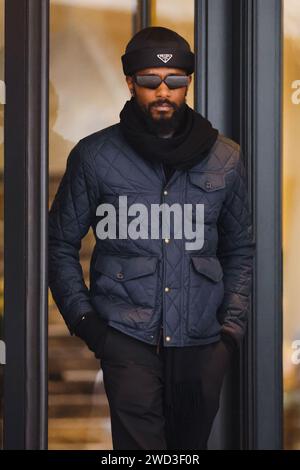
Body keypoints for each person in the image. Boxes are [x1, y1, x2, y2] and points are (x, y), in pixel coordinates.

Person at [48, 26, 255, 450]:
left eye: (175, 81)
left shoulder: (226, 158)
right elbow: (59, 245)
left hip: (201, 344)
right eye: (150, 81)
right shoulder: (94, 156)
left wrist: (229, 333)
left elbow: (241, 250)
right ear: (130, 82)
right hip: (127, 340)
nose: (164, 91)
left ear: (188, 83)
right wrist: (89, 325)